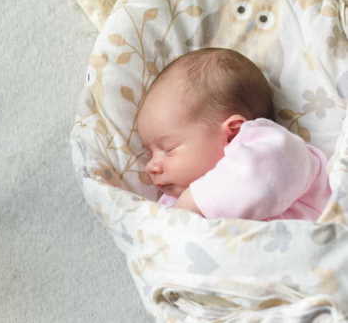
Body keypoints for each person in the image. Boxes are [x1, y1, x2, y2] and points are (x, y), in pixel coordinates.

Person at [136, 48, 330, 220]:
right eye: (149, 153)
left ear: (232, 134)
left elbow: (259, 181)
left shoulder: (272, 148)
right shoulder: (172, 204)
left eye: (168, 149)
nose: (151, 167)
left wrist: (192, 203)